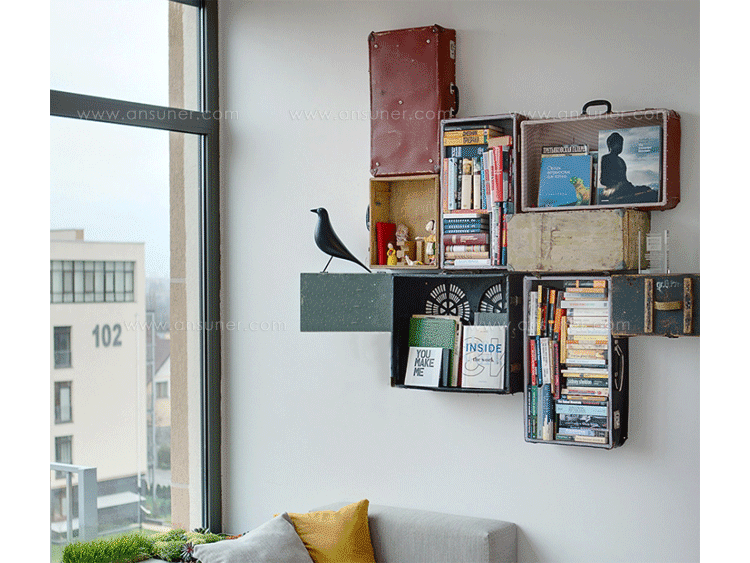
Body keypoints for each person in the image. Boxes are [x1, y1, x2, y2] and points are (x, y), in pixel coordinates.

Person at [598, 131, 658, 204]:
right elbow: (603, 180)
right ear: (610, 144)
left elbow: (624, 179)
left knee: (646, 188)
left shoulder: (621, 161)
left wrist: (625, 184)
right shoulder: (606, 158)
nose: (620, 146)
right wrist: (618, 183)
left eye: (621, 144)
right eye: (618, 144)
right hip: (611, 190)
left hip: (624, 188)